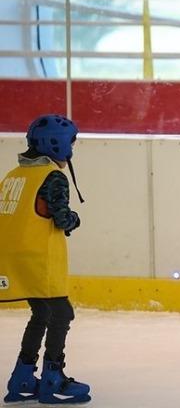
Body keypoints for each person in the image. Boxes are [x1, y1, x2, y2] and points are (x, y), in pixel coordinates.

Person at [1, 114, 91, 404]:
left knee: (41, 314)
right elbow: (62, 218)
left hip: (14, 260)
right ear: (58, 145)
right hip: (40, 259)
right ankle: (53, 379)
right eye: (71, 144)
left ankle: (22, 377)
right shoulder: (52, 177)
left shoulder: (14, 175)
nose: (72, 150)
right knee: (62, 314)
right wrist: (75, 219)